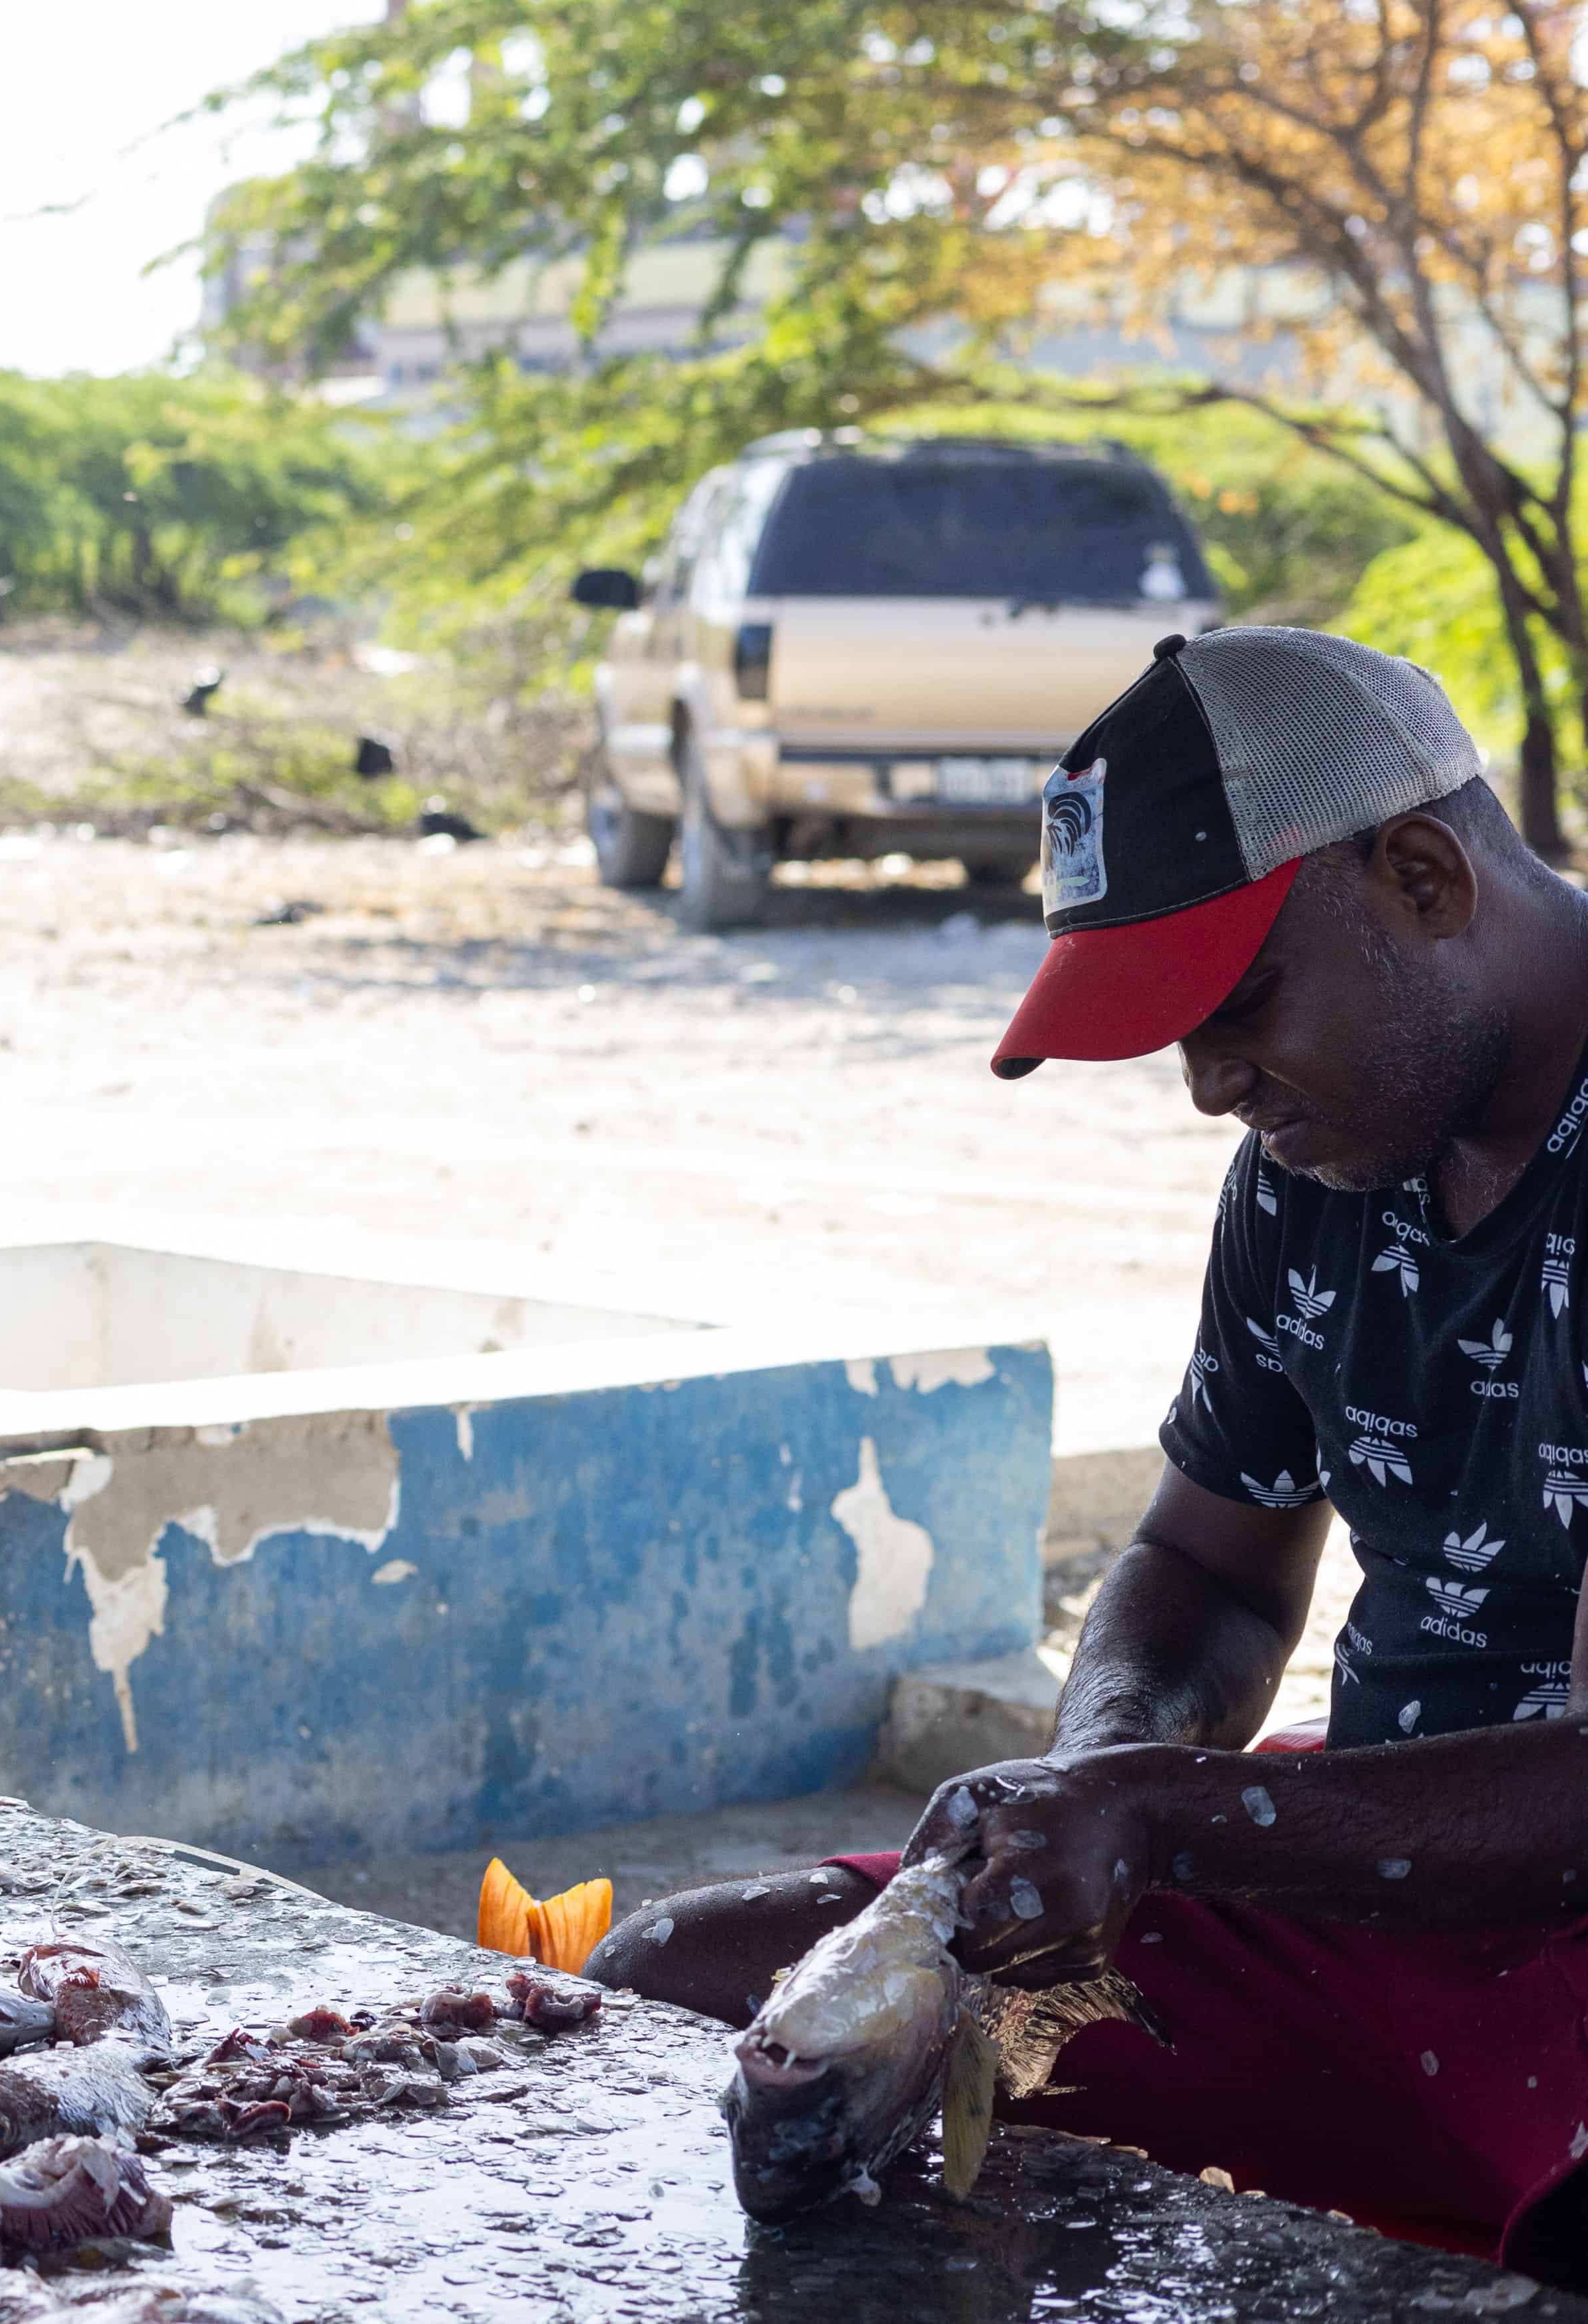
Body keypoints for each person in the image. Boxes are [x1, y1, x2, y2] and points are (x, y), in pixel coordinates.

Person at [592, 627, 1588, 2274]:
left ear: (1420, 876)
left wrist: (1169, 1822)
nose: (1205, 1088)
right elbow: (1204, 1567)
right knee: (678, 1983)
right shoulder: (1315, 1157)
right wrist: (1083, 1797)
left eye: (1235, 1006)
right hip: (1361, 1883)